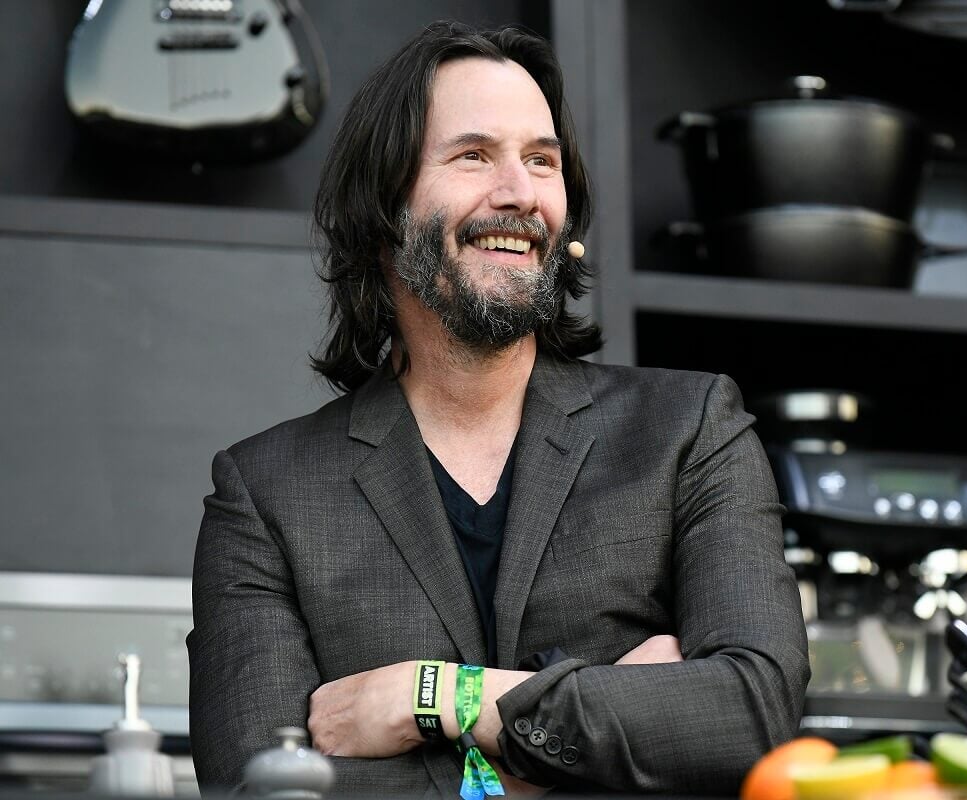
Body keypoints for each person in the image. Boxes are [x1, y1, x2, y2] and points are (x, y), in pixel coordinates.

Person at [187, 20, 809, 797]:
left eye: (541, 161)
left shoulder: (689, 430)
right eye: (474, 155)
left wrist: (440, 696)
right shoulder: (265, 493)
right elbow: (260, 788)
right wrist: (575, 749)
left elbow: (754, 714)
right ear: (385, 209)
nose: (519, 194)